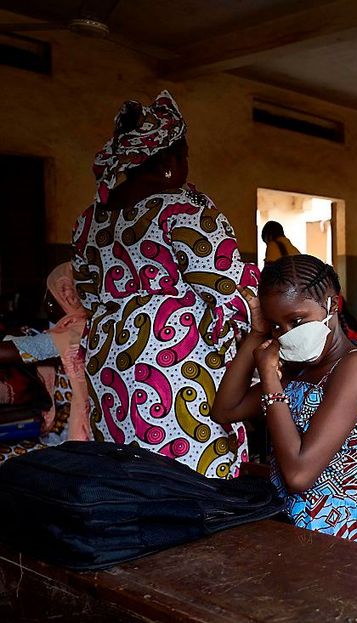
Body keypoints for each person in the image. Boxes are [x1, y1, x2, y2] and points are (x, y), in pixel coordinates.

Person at [72, 90, 259, 478]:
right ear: (171, 162)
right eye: (185, 155)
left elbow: (88, 292)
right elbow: (230, 289)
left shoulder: (88, 220)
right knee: (190, 473)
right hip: (176, 358)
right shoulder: (183, 208)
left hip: (109, 356)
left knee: (130, 471)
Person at [211, 255, 357, 546]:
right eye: (277, 326)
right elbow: (225, 410)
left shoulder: (355, 369)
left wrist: (270, 380)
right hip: (285, 526)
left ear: (332, 305)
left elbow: (299, 476)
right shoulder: (298, 367)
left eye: (297, 321)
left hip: (340, 536)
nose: (287, 335)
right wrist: (257, 335)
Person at [0, 264, 90, 464]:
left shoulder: (76, 331)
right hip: (62, 431)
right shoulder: (70, 328)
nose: (47, 304)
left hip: (79, 437)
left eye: (51, 297)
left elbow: (20, 350)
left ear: (68, 297)